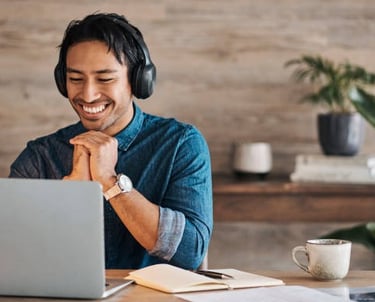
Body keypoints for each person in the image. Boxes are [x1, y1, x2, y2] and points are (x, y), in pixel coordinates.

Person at [9, 12, 213, 270]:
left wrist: (109, 182)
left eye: (105, 79)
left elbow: (189, 252)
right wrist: (72, 198)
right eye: (75, 79)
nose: (88, 94)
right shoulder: (39, 157)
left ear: (138, 80)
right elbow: (19, 258)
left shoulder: (180, 144)